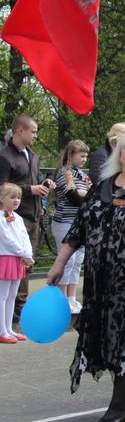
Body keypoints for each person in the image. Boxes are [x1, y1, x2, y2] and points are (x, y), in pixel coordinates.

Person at [47, 131, 125, 422]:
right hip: (101, 280)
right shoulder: (101, 187)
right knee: (111, 334)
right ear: (118, 153)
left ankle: (118, 406)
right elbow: (78, 229)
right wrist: (59, 263)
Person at [0, 115, 55, 321]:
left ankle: (19, 306)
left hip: (34, 215)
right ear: (20, 131)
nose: (36, 135)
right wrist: (29, 189)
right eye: (33, 131)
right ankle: (16, 310)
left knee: (27, 263)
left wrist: (46, 183)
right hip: (14, 216)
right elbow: (2, 188)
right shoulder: (5, 157)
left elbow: (34, 179)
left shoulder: (32, 154)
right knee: (16, 262)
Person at [52, 140, 92, 315]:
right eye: (81, 156)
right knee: (67, 261)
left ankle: (71, 298)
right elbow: (73, 197)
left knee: (77, 262)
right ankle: (60, 300)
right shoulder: (64, 172)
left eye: (85, 156)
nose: (84, 159)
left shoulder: (81, 174)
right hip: (65, 221)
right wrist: (85, 195)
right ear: (71, 155)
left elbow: (90, 194)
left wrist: (85, 194)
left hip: (79, 222)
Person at [0, 184, 33, 344]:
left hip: (17, 259)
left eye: (18, 197)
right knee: (2, 295)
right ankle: (1, 329)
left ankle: (9, 328)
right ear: (1, 198)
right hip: (5, 258)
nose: (16, 200)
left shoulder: (18, 218)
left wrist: (28, 254)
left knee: (12, 295)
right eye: (12, 197)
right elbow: (8, 239)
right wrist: (24, 254)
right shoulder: (0, 217)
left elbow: (24, 237)